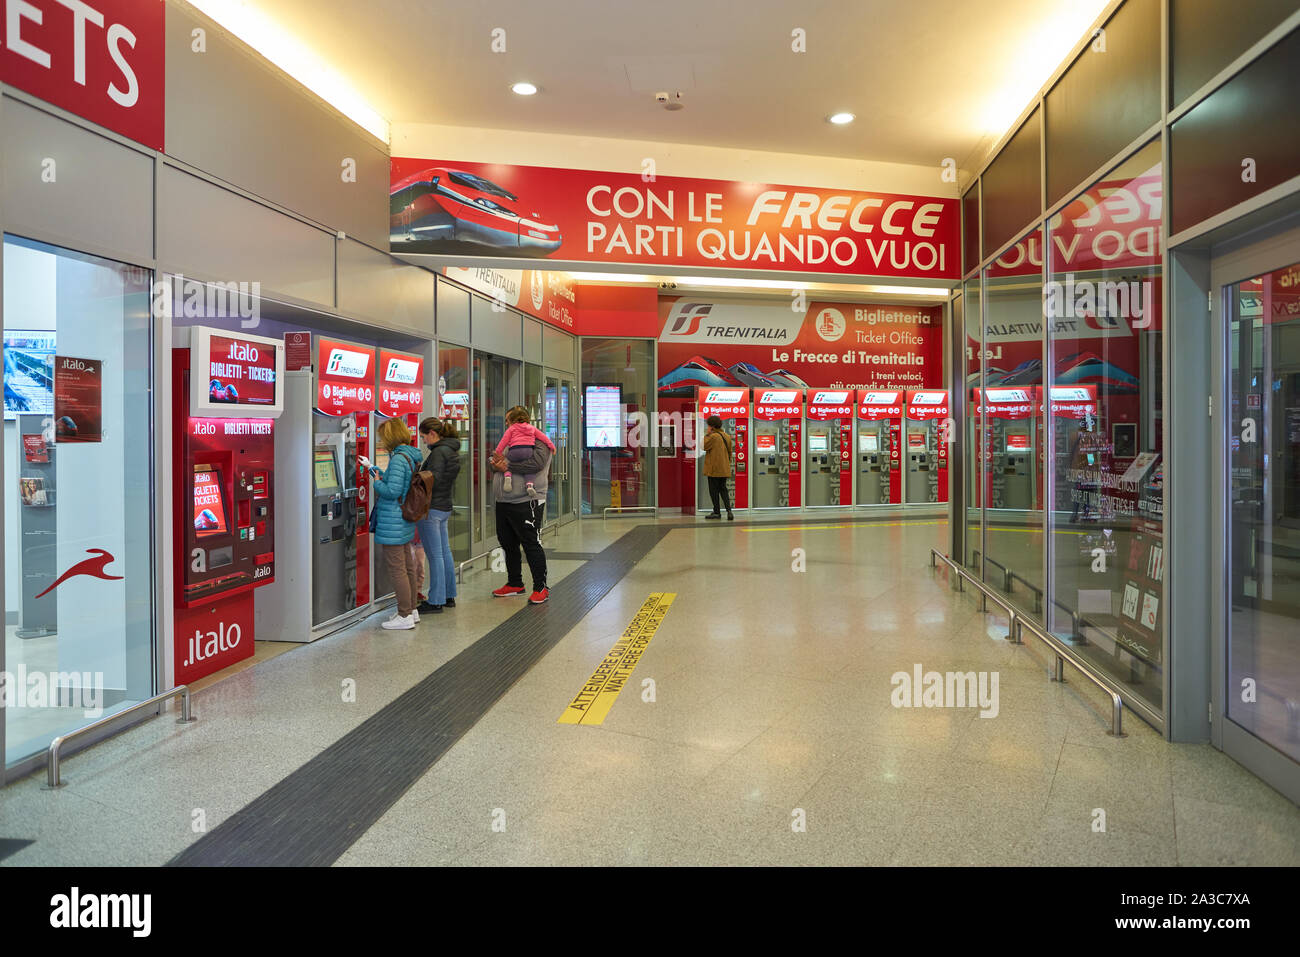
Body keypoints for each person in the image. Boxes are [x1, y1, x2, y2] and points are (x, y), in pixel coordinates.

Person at [363, 417, 424, 630]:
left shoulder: (398, 458)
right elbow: (399, 484)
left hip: (393, 520)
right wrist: (373, 469)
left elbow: (392, 491)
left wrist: (376, 483)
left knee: (398, 568)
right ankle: (412, 610)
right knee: (407, 566)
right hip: (403, 519)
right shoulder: (411, 455)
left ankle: (404, 614)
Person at [489, 406, 552, 604]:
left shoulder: (539, 440)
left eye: (508, 420)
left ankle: (541, 587)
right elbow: (498, 459)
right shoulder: (511, 438)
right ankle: (515, 583)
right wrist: (494, 464)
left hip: (527, 500)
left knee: (531, 543)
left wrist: (507, 465)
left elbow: (536, 464)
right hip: (504, 501)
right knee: (508, 543)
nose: (506, 424)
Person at [416, 416, 461, 615]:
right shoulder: (451, 450)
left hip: (431, 509)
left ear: (433, 434)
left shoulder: (438, 453)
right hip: (444, 506)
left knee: (435, 555)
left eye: (424, 437)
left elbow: (430, 480)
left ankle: (435, 601)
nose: (423, 441)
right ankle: (448, 595)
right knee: (444, 552)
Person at [494, 415, 555, 497]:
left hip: (514, 451)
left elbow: (503, 441)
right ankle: (529, 484)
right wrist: (552, 446)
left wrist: (498, 453)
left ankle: (507, 475)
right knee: (529, 471)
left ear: (512, 421)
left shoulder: (512, 429)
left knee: (508, 460)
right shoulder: (532, 428)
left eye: (507, 420)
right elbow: (544, 437)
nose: (506, 423)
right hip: (528, 451)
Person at [701, 414, 735, 520]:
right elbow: (730, 452)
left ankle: (717, 512)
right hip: (724, 468)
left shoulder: (713, 437)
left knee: (714, 490)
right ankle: (729, 512)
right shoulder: (727, 436)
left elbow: (703, 446)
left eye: (708, 426)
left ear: (712, 426)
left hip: (714, 469)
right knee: (723, 489)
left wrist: (707, 435)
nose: (707, 428)